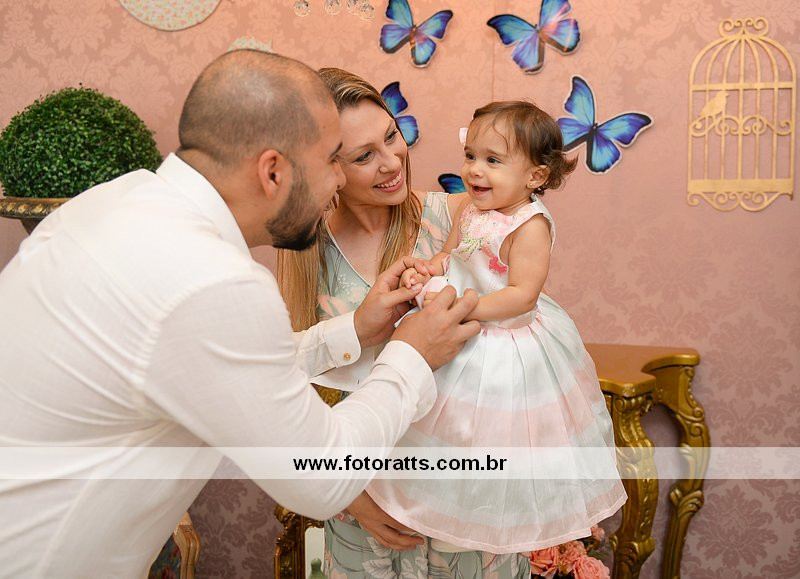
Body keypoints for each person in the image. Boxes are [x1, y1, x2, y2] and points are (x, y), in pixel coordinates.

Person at [0, 51, 480, 577]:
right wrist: (412, 353)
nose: (337, 184)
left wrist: (353, 330)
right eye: (331, 162)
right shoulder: (212, 279)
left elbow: (219, 363)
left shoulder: (116, 201)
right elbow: (321, 478)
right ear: (273, 172)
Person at [276, 70, 532, 577]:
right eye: (363, 156)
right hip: (366, 516)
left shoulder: (464, 219)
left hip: (469, 504)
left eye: (391, 136)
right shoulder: (307, 255)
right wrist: (350, 495)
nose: (392, 162)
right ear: (326, 168)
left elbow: (520, 349)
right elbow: (287, 392)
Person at [370, 100, 628, 554]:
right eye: (470, 155)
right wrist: (427, 271)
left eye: (492, 160)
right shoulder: (470, 210)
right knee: (445, 431)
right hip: (458, 328)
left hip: (504, 344)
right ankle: (436, 510)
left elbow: (521, 295)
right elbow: (450, 256)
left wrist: (465, 308)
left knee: (492, 435)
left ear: (535, 175)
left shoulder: (530, 226)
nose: (475, 169)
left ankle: (481, 523)